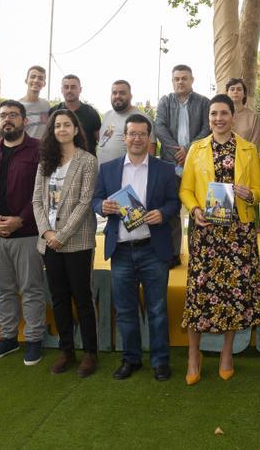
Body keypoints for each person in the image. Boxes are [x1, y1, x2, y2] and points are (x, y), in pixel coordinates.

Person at [178, 94, 260, 385]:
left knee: (233, 295)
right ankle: (194, 354)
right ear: (209, 117)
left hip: (238, 233)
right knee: (198, 295)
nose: (218, 118)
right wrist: (195, 209)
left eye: (224, 113)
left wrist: (248, 194)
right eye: (214, 113)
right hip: (206, 232)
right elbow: (185, 189)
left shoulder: (248, 149)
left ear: (232, 116)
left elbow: (259, 191)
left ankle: (227, 354)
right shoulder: (196, 149)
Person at [94, 114, 182, 382]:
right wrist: (102, 207)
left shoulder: (164, 169)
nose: (136, 138)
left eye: (142, 134)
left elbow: (174, 203)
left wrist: (162, 213)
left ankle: (160, 361)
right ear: (124, 137)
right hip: (120, 250)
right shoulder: (108, 169)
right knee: (125, 309)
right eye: (131, 133)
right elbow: (96, 199)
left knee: (157, 309)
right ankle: (130, 359)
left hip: (153, 250)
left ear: (149, 138)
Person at [0, 100, 47, 366]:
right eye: (3, 115)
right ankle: (9, 338)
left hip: (26, 233)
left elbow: (43, 192)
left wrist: (20, 220)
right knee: (4, 290)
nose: (7, 120)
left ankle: (34, 339)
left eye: (13, 115)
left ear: (25, 121)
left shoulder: (39, 151)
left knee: (32, 289)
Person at [33, 109, 100, 377]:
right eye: (57, 125)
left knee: (82, 298)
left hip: (77, 242)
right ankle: (66, 350)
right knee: (59, 298)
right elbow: (37, 201)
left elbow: (85, 203)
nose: (61, 129)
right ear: (52, 130)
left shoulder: (88, 161)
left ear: (75, 130)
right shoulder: (45, 162)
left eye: (66, 125)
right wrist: (48, 234)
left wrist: (61, 235)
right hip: (49, 243)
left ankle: (90, 353)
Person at [155, 64, 210, 267]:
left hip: (197, 164)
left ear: (192, 80)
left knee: (197, 207)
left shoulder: (204, 102)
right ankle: (173, 253)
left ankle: (198, 253)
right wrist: (177, 151)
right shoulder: (165, 102)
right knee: (172, 210)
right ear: (172, 81)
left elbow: (207, 128)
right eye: (177, 78)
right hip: (170, 163)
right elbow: (159, 127)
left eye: (184, 78)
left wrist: (188, 149)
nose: (180, 82)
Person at [97, 79, 150, 165]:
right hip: (103, 174)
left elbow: (150, 150)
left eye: (122, 93)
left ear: (130, 96)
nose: (117, 96)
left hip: (126, 174)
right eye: (114, 93)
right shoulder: (107, 115)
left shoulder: (142, 118)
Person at [51, 74, 102, 155]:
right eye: (66, 87)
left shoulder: (91, 113)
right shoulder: (54, 111)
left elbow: (101, 140)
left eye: (73, 87)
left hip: (86, 163)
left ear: (80, 90)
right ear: (62, 90)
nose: (69, 90)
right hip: (60, 161)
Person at [225, 77, 260, 147]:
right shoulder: (221, 115)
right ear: (227, 93)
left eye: (239, 89)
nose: (235, 91)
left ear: (244, 94)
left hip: (246, 155)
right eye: (232, 89)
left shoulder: (253, 117)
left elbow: (255, 143)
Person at [20, 65, 53, 141]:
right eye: (33, 77)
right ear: (26, 80)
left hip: (43, 150)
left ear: (44, 83)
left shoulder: (46, 105)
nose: (36, 80)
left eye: (40, 78)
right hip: (25, 150)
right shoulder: (18, 106)